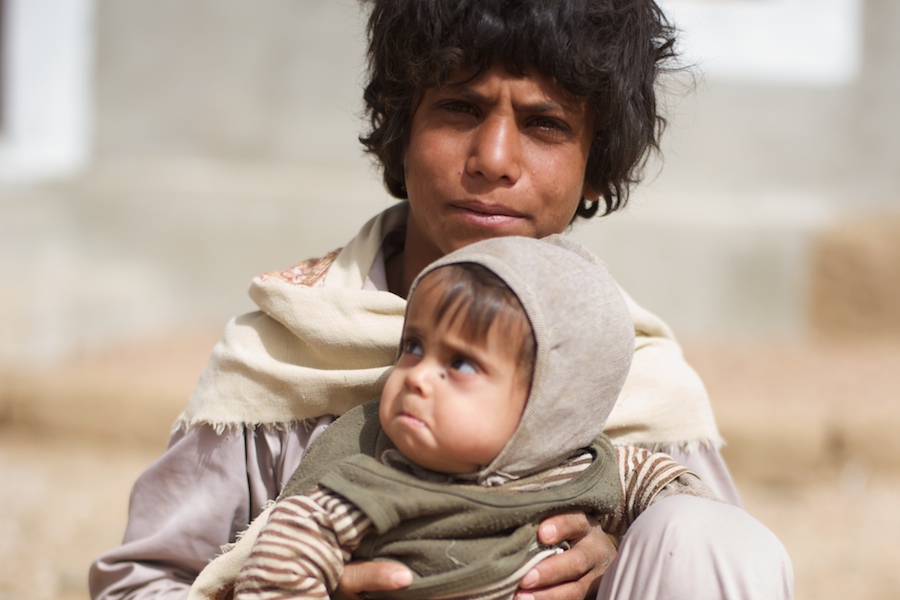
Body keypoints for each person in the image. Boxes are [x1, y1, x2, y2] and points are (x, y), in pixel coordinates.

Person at [90, 1, 794, 599]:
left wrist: (616, 552)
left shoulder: (634, 373)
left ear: (593, 160)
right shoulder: (285, 350)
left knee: (710, 537)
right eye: (460, 107)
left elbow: (703, 551)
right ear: (402, 126)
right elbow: (141, 583)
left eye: (545, 123)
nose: (493, 157)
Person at [190, 235, 718, 600]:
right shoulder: (379, 479)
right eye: (413, 348)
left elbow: (671, 498)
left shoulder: (587, 466)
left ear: (550, 403)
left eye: (460, 363)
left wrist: (630, 557)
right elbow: (294, 542)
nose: (418, 376)